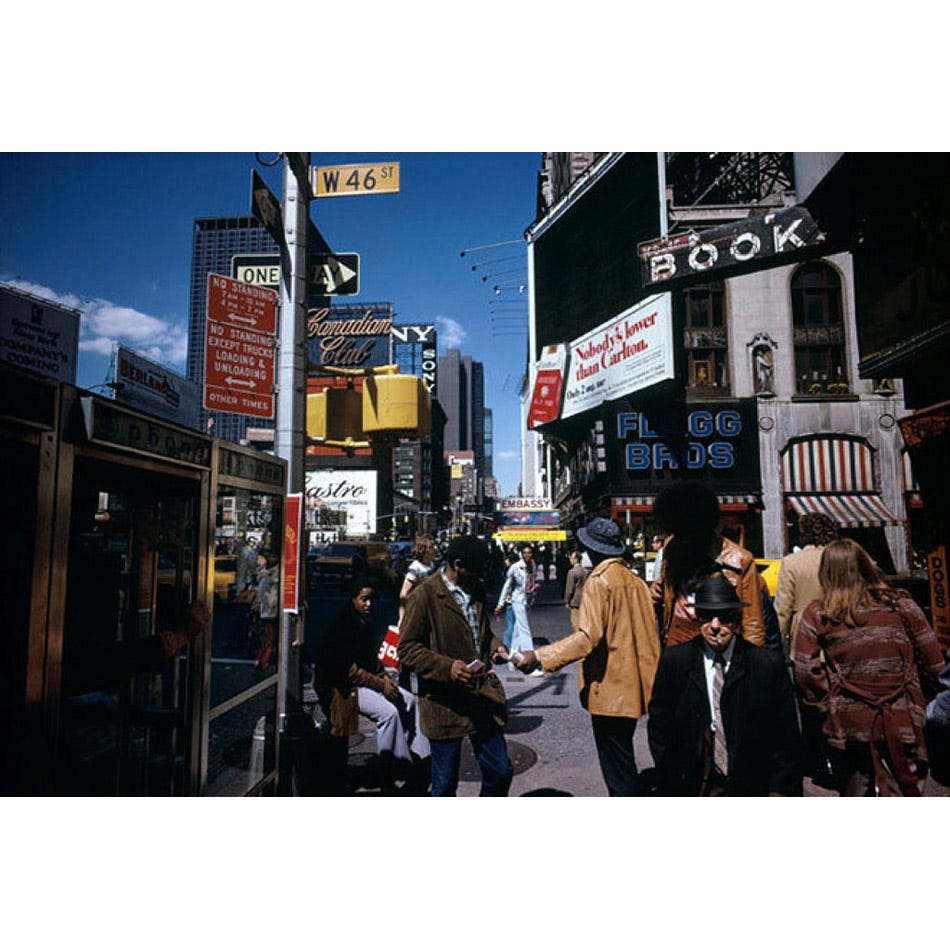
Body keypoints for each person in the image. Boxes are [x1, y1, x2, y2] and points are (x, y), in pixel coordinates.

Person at [514, 518, 660, 796]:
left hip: (609, 690)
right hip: (635, 687)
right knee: (623, 756)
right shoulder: (637, 582)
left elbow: (586, 637)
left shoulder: (599, 582)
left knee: (617, 770)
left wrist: (540, 656)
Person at [793, 538, 944, 796]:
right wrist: (924, 698)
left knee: (855, 789)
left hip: (847, 721)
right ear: (866, 566)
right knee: (905, 788)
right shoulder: (901, 604)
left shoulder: (819, 612)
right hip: (903, 714)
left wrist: (826, 704)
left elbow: (805, 670)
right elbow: (936, 663)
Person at [647, 574, 802, 796]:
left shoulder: (766, 665)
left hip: (748, 785)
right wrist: (671, 774)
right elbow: (660, 724)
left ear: (737, 618)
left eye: (724, 617)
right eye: (707, 617)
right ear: (697, 618)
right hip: (693, 785)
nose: (715, 626)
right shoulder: (676, 661)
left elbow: (786, 736)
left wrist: (778, 789)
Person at [398, 536, 514, 797]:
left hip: (480, 697)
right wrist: (447, 667)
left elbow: (482, 633)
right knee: (445, 783)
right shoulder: (424, 595)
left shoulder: (477, 589)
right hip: (444, 704)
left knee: (500, 771)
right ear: (458, 564)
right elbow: (406, 649)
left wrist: (496, 647)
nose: (482, 573)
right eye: (478, 567)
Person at [313, 576, 430, 795]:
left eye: (371, 600)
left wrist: (385, 677)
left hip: (366, 682)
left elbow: (371, 661)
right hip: (345, 688)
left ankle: (421, 757)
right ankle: (394, 769)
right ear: (353, 599)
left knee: (410, 700)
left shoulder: (364, 622)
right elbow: (350, 671)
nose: (369, 604)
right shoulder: (343, 625)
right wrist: (380, 684)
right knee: (388, 713)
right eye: (364, 599)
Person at [650, 482, 765, 648]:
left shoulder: (740, 560)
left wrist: (751, 665)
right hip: (677, 645)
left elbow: (753, 623)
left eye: (689, 533)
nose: (684, 539)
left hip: (719, 646)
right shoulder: (672, 550)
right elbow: (658, 592)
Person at [774, 511, 839, 657]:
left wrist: (776, 643)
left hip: (803, 634)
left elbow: (782, 610)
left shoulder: (792, 563)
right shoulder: (840, 559)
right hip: (837, 629)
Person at [494, 543, 541, 674]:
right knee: (525, 630)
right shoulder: (515, 567)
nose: (527, 555)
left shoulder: (533, 566)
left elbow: (532, 583)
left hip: (526, 601)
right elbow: (507, 586)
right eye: (525, 552)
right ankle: (530, 663)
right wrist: (500, 604)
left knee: (516, 631)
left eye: (529, 552)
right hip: (517, 601)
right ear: (521, 553)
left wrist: (533, 598)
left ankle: (512, 660)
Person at [397, 535, 438, 625]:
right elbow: (403, 594)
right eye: (431, 547)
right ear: (424, 550)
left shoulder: (431, 565)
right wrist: (402, 618)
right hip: (417, 609)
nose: (435, 548)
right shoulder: (415, 568)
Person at [253, 550, 279, 671]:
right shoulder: (264, 572)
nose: (271, 559)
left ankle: (264, 660)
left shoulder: (276, 574)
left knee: (268, 637)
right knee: (262, 636)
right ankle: (260, 658)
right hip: (263, 608)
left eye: (274, 556)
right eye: (270, 556)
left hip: (271, 610)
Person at [563, 550, 588, 634]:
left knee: (575, 622)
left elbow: (569, 588)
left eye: (571, 558)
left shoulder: (572, 572)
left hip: (575, 600)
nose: (570, 560)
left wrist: (567, 600)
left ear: (576, 559)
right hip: (584, 598)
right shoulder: (585, 571)